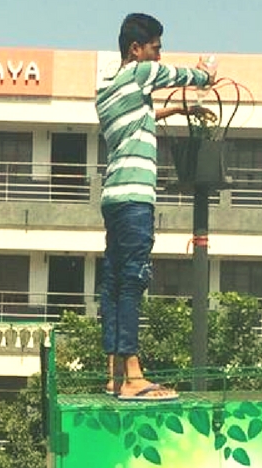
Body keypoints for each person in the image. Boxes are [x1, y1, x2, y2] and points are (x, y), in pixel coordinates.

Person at [97, 13, 214, 402]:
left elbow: (142, 118)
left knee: (113, 283)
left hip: (113, 197)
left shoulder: (109, 90)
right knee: (133, 281)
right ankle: (133, 375)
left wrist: (179, 112)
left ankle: (115, 374)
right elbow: (172, 76)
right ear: (136, 49)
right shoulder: (139, 74)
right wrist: (203, 76)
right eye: (155, 48)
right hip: (135, 198)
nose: (158, 56)